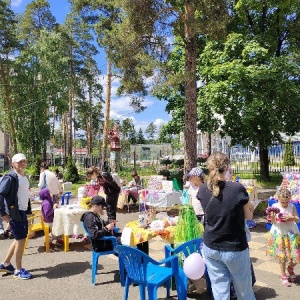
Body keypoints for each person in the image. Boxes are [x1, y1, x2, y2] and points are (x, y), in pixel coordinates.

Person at [196, 151, 255, 299]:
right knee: (244, 291)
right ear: (227, 167)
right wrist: (250, 207)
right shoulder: (237, 189)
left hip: (211, 246)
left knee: (220, 291)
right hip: (234, 247)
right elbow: (248, 216)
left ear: (209, 168)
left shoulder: (202, 189)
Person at [0, 153, 32, 279]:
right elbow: (1, 194)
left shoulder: (24, 176)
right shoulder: (11, 177)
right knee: (21, 239)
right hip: (15, 213)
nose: (22, 163)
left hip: (22, 212)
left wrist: (28, 211)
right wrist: (4, 214)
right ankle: (18, 270)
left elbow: (25, 195)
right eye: (19, 162)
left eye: (24, 161)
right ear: (13, 164)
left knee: (19, 238)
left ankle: (6, 264)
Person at [266, 187, 300, 287]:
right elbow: (272, 221)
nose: (285, 204)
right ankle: (283, 275)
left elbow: (297, 219)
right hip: (279, 232)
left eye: (286, 202)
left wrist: (292, 217)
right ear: (278, 199)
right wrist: (272, 217)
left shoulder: (292, 206)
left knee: (296, 254)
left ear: (289, 199)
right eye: (283, 202)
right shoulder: (274, 206)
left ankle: (290, 268)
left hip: (291, 232)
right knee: (282, 255)